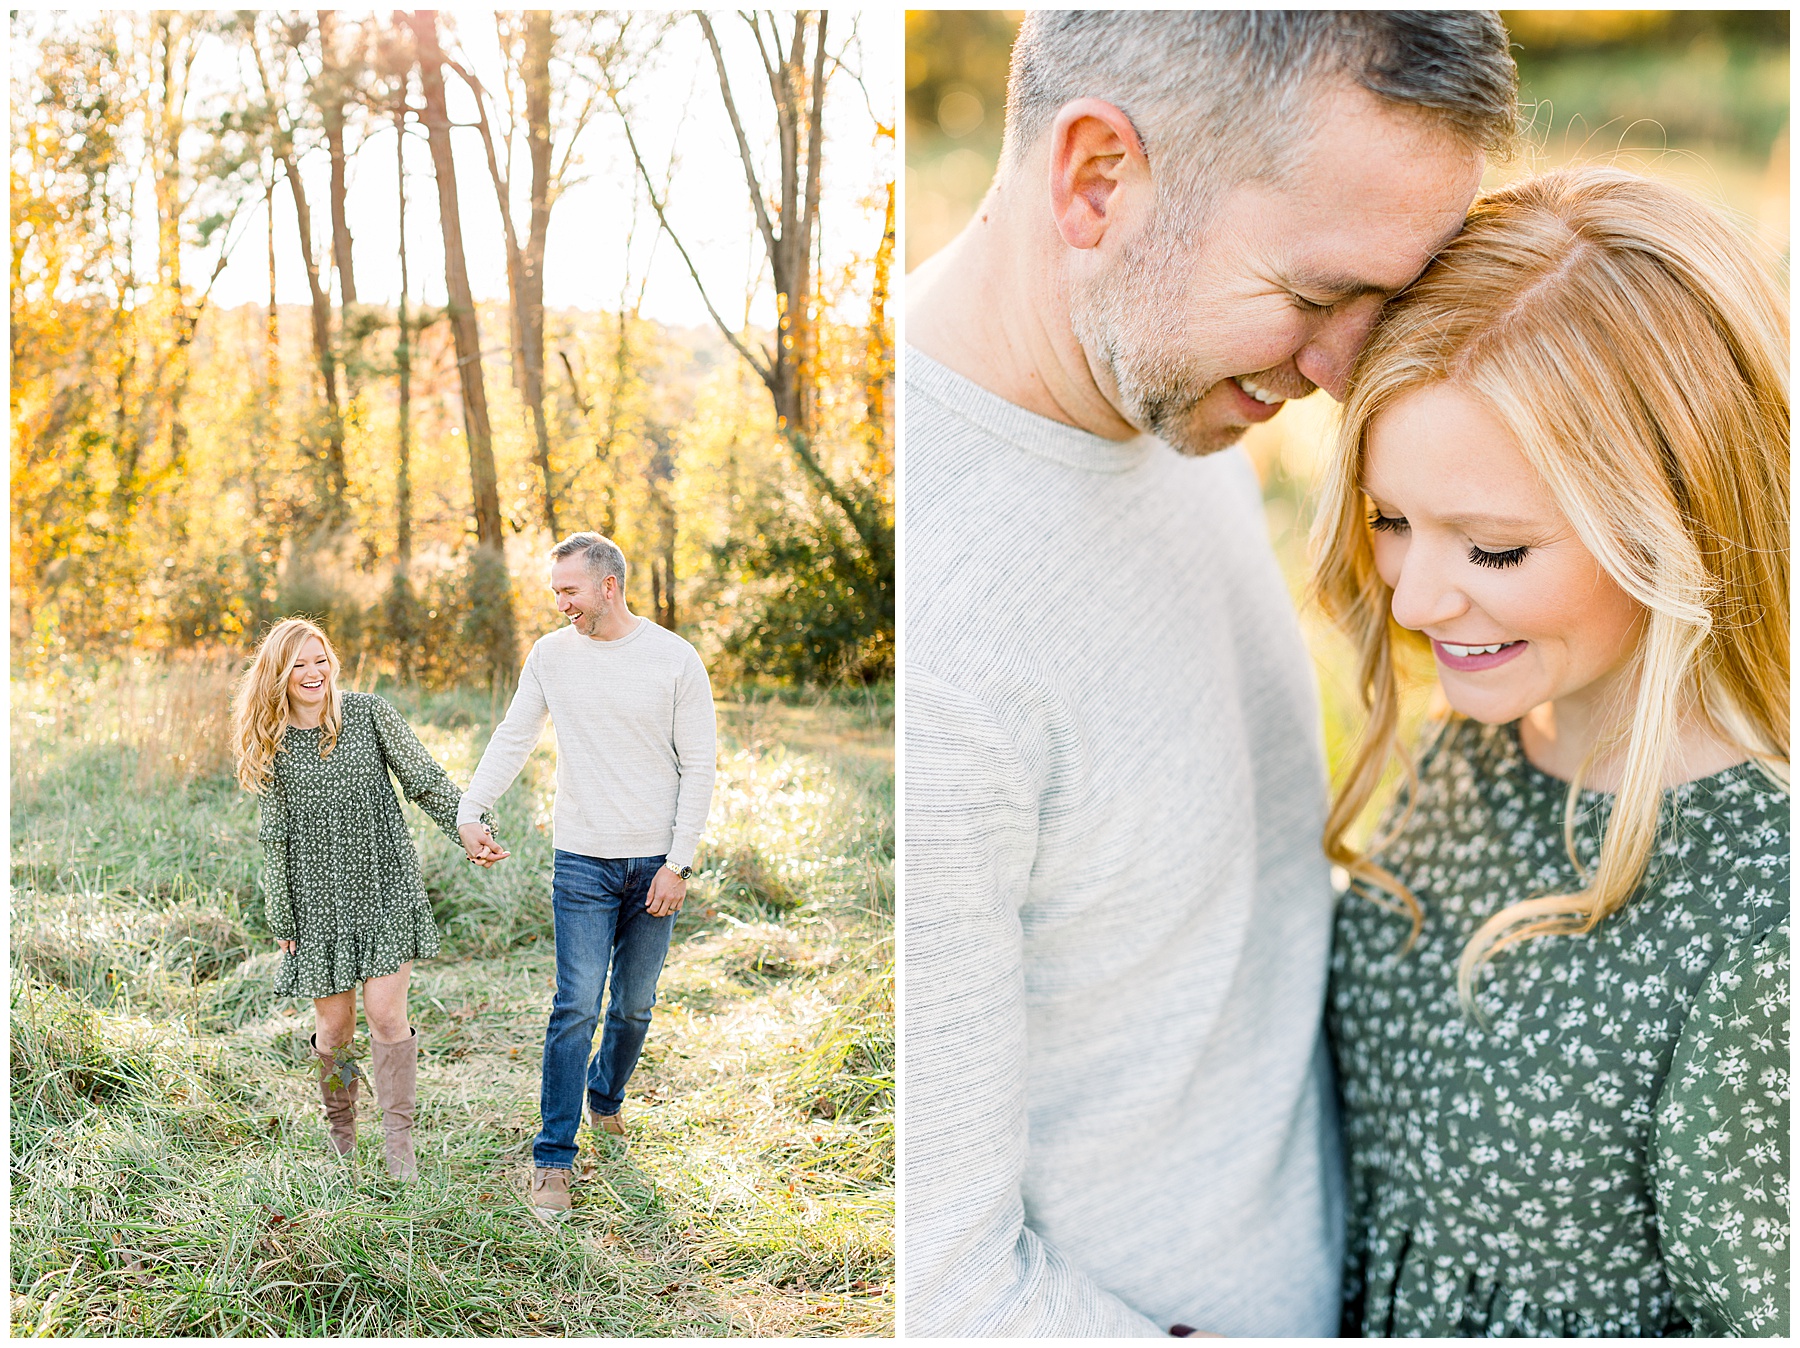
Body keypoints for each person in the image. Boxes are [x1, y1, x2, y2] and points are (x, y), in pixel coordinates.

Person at [902, 11, 1517, 1337]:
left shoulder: (1164, 398)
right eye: (1316, 296)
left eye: (1386, 300)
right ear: (1098, 180)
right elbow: (944, 1288)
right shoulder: (935, 635)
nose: (1344, 371)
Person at [1316, 166, 1789, 1337]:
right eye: (1391, 520)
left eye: (1494, 549)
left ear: (1678, 522)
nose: (1415, 599)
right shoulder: (1476, 745)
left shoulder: (1761, 925)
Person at [453, 532, 717, 1225]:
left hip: (655, 866)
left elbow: (700, 766)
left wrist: (679, 863)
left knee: (633, 1006)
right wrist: (471, 808)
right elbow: (514, 734)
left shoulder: (674, 659)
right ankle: (553, 1159)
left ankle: (606, 1095)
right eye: (556, 592)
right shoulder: (551, 656)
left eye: (570, 590)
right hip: (581, 861)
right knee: (575, 1004)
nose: (561, 603)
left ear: (608, 586)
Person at [231, 616, 498, 1181]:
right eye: (299, 664)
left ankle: (399, 1141)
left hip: (384, 888)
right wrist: (282, 915)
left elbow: (425, 780)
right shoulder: (273, 744)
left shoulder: (369, 714)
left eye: (320, 660)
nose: (313, 672)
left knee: (385, 1014)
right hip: (318, 903)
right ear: (278, 674)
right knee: (335, 1032)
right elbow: (275, 837)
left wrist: (471, 828)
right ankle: (343, 1134)